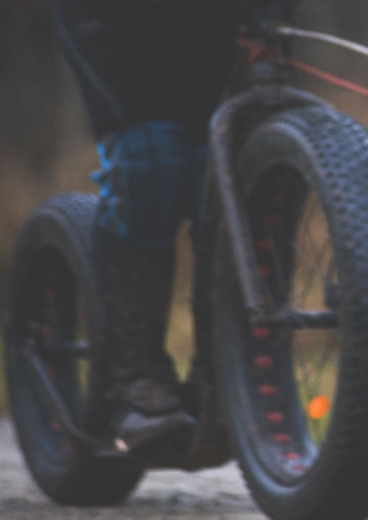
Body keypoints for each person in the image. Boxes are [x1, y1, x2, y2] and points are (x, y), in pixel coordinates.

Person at [54, 0, 251, 449]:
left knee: (227, 175)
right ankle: (132, 383)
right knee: (152, 163)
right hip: (119, 19)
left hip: (223, 17)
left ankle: (225, 375)